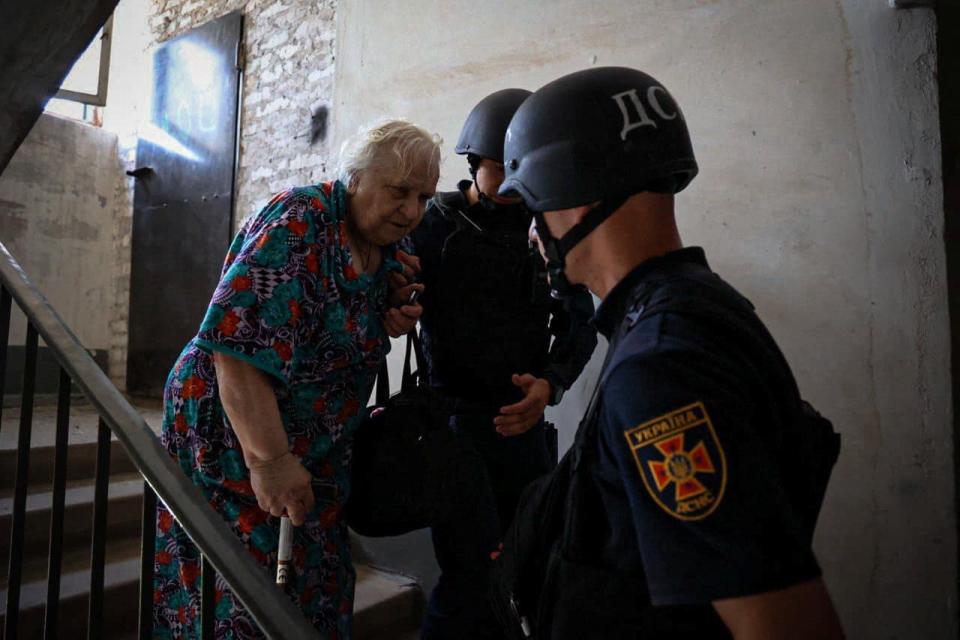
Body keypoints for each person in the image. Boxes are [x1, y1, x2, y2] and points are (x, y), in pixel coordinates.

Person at [497, 67, 845, 638]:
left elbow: (781, 620)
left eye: (533, 205)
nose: (533, 233)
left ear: (575, 193)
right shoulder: (698, 308)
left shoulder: (660, 364)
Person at [153, 119, 439, 639]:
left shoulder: (389, 246)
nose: (413, 211)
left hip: (319, 442)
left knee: (320, 580)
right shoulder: (299, 221)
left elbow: (351, 319)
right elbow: (235, 350)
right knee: (243, 579)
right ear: (355, 178)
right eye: (399, 192)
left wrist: (396, 309)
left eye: (424, 196)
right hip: (236, 427)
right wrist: (270, 461)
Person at [408, 89, 598, 639]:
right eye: (501, 168)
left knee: (532, 564)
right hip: (454, 426)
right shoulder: (433, 223)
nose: (513, 183)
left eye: (523, 170)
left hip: (524, 425)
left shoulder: (548, 228)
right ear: (476, 164)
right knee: (471, 575)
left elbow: (580, 320)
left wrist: (551, 384)